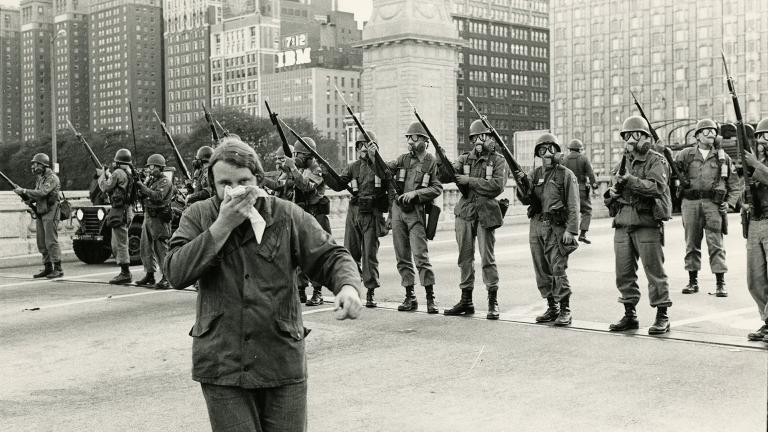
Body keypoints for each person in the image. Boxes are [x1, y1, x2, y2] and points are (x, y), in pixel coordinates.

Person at [163, 137, 362, 432]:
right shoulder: (199, 215)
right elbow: (175, 271)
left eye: (244, 180)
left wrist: (347, 287)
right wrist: (222, 226)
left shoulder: (286, 214)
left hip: (280, 360)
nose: (235, 190)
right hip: (222, 364)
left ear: (258, 178)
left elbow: (331, 255)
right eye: (224, 184)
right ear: (212, 184)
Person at [605, 116, 673, 335]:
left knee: (654, 271)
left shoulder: (656, 160)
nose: (632, 140)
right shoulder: (622, 161)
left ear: (646, 137)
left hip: (646, 222)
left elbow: (656, 188)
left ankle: (662, 315)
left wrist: (630, 180)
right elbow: (612, 190)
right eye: (628, 135)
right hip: (623, 222)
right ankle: (629, 313)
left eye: (637, 135)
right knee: (623, 272)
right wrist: (612, 193)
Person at [442, 119, 508, 320]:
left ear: (489, 138)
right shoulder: (464, 159)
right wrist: (441, 159)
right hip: (464, 213)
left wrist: (469, 181)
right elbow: (447, 175)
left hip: (486, 213)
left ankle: (492, 300)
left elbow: (497, 186)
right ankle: (466, 300)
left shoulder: (498, 160)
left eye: (483, 136)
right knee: (464, 258)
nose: (480, 140)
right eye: (476, 137)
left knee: (487, 258)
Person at [378, 121, 443, 313]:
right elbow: (383, 171)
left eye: (414, 138)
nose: (410, 142)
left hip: (416, 212)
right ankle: (410, 297)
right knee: (402, 257)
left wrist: (416, 194)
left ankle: (430, 298)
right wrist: (374, 155)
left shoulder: (431, 162)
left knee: (420, 256)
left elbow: (437, 187)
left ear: (424, 140)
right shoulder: (403, 159)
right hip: (398, 211)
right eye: (408, 138)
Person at [675, 119, 741, 297]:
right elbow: (672, 171)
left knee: (716, 244)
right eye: (706, 131)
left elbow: (735, 184)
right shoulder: (685, 155)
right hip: (691, 204)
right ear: (697, 136)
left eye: (713, 131)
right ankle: (692, 281)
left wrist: (731, 203)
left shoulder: (722, 157)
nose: (711, 133)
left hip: (713, 205)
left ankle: (720, 283)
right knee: (691, 243)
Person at [518, 134, 580, 326]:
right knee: (541, 269)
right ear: (537, 153)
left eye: (550, 149)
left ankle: (565, 309)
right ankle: (552, 307)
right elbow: (525, 199)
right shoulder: (534, 175)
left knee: (557, 268)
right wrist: (522, 185)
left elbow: (573, 204)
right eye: (542, 149)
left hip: (556, 228)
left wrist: (572, 230)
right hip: (536, 225)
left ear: (557, 151)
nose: (546, 153)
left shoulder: (565, 174)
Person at [325, 131, 388, 308]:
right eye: (359, 145)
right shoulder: (353, 167)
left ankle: (371, 291)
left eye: (366, 145)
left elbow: (387, 181)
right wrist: (325, 172)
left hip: (372, 213)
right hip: (354, 212)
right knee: (350, 253)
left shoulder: (381, 166)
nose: (362, 148)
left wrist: (375, 159)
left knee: (370, 255)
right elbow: (338, 184)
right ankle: (353, 287)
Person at [282, 138, 332, 306]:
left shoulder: (317, 169)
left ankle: (318, 292)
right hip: (302, 215)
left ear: (308, 155)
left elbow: (307, 187)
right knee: (298, 253)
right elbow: (285, 185)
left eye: (299, 155)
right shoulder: (302, 169)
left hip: (316, 217)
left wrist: (293, 168)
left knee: (316, 255)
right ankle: (301, 290)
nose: (296, 157)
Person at [14, 153, 63, 278]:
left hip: (51, 212)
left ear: (43, 164)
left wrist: (24, 190)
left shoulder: (52, 178)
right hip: (41, 211)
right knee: (41, 242)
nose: (34, 166)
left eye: (36, 164)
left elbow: (42, 193)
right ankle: (48, 267)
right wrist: (27, 198)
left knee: (51, 241)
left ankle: (58, 268)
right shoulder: (40, 178)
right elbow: (36, 195)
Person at [742, 119, 768, 342]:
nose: (761, 141)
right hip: (756, 222)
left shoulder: (758, 164)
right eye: (759, 136)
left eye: (766, 136)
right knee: (755, 278)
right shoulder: (756, 162)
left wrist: (756, 165)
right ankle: (767, 321)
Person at [134, 154, 174, 290]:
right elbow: (143, 194)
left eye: (152, 166)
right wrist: (139, 185)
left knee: (161, 249)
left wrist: (142, 186)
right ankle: (150, 274)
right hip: (148, 216)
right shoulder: (151, 180)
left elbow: (158, 196)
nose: (150, 169)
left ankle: (166, 277)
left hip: (159, 218)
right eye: (149, 167)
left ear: (160, 167)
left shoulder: (165, 182)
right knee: (145, 246)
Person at [98, 148, 136, 285]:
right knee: (119, 242)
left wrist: (102, 175)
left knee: (120, 243)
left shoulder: (118, 172)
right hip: (127, 210)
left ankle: (125, 273)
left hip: (120, 211)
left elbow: (105, 187)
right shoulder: (128, 173)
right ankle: (124, 271)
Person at [562, 139, 598, 244]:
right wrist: (594, 186)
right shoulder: (584, 159)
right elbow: (591, 174)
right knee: (587, 211)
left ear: (570, 149)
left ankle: (567, 234)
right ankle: (582, 234)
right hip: (581, 190)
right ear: (579, 149)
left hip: (567, 191)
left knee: (570, 212)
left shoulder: (564, 160)